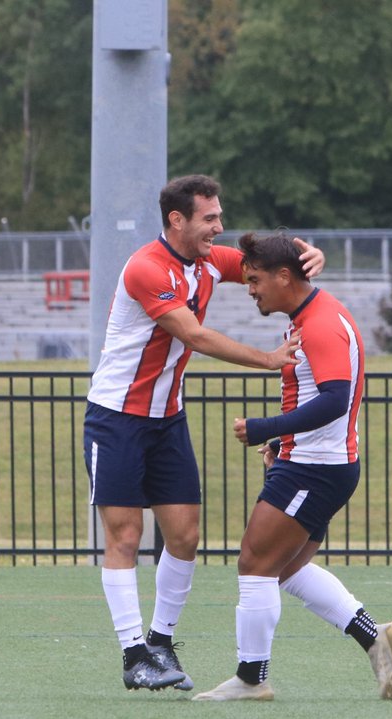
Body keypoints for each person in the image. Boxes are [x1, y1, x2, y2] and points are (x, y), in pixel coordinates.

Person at [85, 175, 325, 692]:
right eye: (209, 218)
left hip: (167, 418)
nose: (219, 226)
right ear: (177, 220)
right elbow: (193, 334)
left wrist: (308, 255)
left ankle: (160, 642)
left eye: (219, 215)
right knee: (125, 536)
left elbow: (265, 265)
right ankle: (133, 655)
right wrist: (268, 360)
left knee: (185, 536)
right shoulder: (147, 268)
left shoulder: (208, 260)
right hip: (117, 418)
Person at [193, 232, 392, 702]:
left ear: (284, 276)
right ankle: (374, 639)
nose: (250, 290)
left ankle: (251, 679)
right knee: (285, 569)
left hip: (314, 468)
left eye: (255, 280)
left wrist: (266, 427)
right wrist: (281, 441)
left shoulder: (320, 323)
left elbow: (334, 399)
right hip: (316, 463)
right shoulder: (311, 315)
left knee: (254, 562)